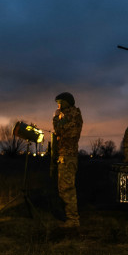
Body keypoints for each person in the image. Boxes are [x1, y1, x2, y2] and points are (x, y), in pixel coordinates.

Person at [52, 91, 83, 228]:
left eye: (59, 102)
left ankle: (73, 220)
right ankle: (70, 218)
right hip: (66, 156)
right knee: (63, 188)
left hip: (68, 156)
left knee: (67, 189)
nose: (58, 105)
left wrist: (55, 118)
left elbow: (59, 129)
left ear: (65, 102)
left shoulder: (71, 115)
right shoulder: (72, 115)